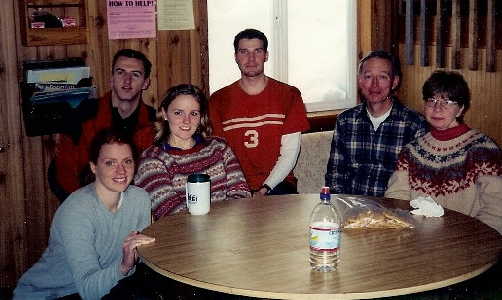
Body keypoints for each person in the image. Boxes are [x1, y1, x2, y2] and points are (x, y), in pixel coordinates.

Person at [13, 128, 155, 300]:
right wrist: (124, 266)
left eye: (127, 161)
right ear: (94, 167)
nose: (121, 171)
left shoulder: (140, 199)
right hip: (51, 294)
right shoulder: (77, 210)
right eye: (110, 163)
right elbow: (89, 290)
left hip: (106, 287)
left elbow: (140, 261)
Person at [385, 70, 502, 245]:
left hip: (474, 246)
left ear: (460, 108)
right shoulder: (412, 151)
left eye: (447, 102)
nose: (437, 108)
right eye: (431, 100)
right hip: (424, 245)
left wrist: (464, 244)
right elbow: (396, 202)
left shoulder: (483, 150)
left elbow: (501, 213)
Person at [209, 28, 310, 196]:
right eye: (244, 52)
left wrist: (265, 188)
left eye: (257, 51)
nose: (251, 59)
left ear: (266, 55)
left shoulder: (289, 95)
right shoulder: (218, 100)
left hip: (278, 185)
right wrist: (239, 190)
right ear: (235, 57)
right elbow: (218, 156)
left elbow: (290, 154)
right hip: (234, 186)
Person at [51, 49, 156, 202]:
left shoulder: (153, 122)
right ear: (112, 78)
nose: (127, 80)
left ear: (145, 83)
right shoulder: (84, 115)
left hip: (133, 204)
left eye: (135, 74)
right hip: (88, 202)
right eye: (121, 72)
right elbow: (64, 171)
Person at [135, 84, 251, 219]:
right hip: (184, 237)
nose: (187, 121)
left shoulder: (219, 147)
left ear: (201, 116)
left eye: (194, 113)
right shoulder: (152, 161)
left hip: (227, 231)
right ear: (165, 113)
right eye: (178, 113)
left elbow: (241, 194)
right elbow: (173, 216)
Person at [325, 50, 427, 196]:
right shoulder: (345, 120)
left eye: (382, 77)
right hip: (352, 208)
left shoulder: (414, 124)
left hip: (393, 210)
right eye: (368, 76)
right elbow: (335, 176)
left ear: (394, 82)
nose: (374, 84)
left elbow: (417, 183)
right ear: (360, 80)